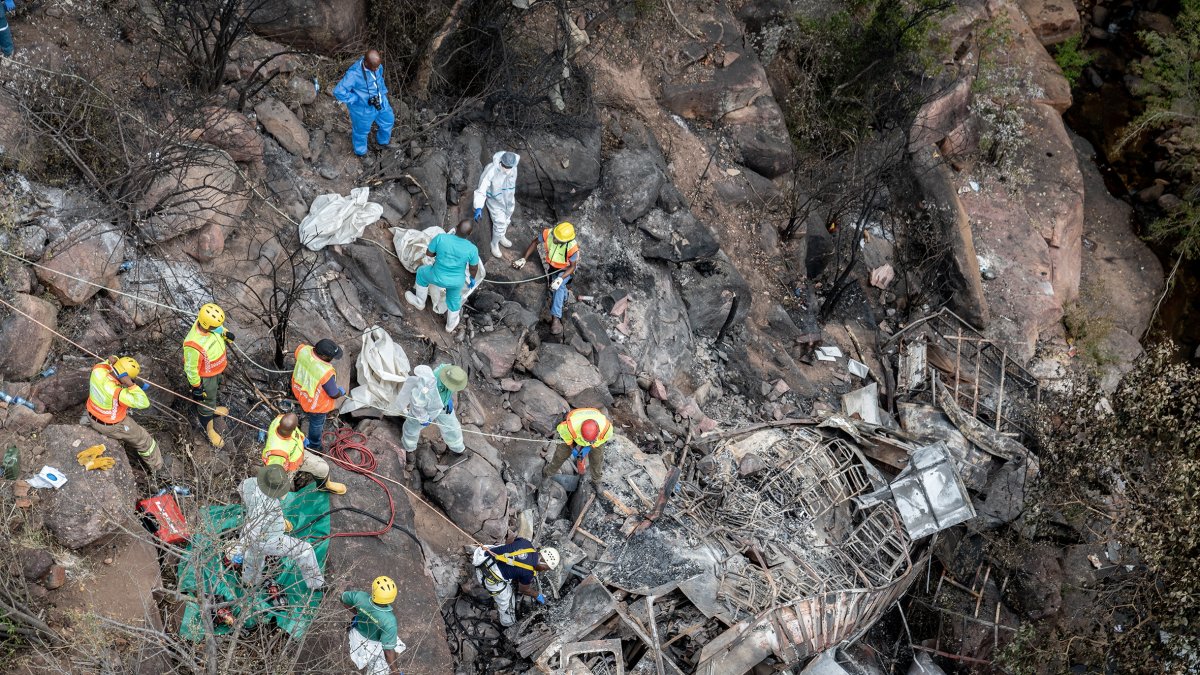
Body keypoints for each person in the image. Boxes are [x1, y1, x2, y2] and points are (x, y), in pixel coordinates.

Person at [238, 464, 325, 591]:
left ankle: (249, 582)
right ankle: (317, 585)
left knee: (253, 558)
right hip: (268, 539)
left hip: (253, 533)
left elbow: (241, 491)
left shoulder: (249, 483)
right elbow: (253, 531)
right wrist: (240, 546)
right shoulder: (268, 506)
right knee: (305, 550)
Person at [83, 356, 164, 472]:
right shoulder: (117, 392)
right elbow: (144, 402)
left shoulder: (98, 370)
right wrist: (131, 385)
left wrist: (115, 361)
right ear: (124, 378)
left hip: (91, 415)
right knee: (144, 440)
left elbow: (110, 360)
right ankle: (157, 468)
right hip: (111, 426)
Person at [404, 219, 480, 333]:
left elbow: (429, 253)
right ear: (469, 234)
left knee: (421, 273)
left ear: (456, 227)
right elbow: (474, 268)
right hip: (456, 282)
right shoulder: (472, 249)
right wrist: (472, 279)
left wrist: (438, 253)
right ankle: (450, 325)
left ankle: (420, 302)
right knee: (454, 301)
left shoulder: (441, 238)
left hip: (436, 275)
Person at [471, 537, 559, 627]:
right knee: (507, 600)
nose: (543, 571)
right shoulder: (528, 573)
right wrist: (537, 595)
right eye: (544, 569)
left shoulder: (526, 543)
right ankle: (507, 623)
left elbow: (510, 541)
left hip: (483, 555)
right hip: (486, 574)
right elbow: (524, 590)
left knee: (507, 548)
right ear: (543, 566)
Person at [512, 221, 579, 335]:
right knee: (553, 289)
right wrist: (524, 259)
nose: (555, 240)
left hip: (564, 270)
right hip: (552, 267)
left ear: (566, 241)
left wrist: (561, 278)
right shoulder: (548, 233)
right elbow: (534, 242)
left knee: (558, 287)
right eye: (555, 237)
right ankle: (565, 297)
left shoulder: (572, 248)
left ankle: (556, 318)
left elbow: (572, 267)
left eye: (558, 240)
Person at [183, 303, 233, 448]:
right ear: (207, 325)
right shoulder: (193, 345)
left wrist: (225, 333)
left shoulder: (207, 324)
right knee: (206, 401)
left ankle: (212, 407)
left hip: (215, 371)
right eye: (216, 326)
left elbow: (218, 329)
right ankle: (209, 429)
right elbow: (191, 368)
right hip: (206, 377)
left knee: (212, 395)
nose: (218, 327)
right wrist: (196, 387)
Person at [261, 412, 347, 494]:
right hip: (286, 468)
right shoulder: (277, 453)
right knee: (279, 493)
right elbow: (274, 473)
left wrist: (302, 439)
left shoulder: (280, 419)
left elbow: (296, 431)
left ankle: (324, 486)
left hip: (299, 456)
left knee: (322, 468)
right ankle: (275, 506)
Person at [332, 49, 394, 157]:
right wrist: (356, 99)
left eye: (377, 66)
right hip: (362, 109)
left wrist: (383, 92)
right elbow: (338, 92)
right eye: (374, 67)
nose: (376, 69)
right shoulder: (354, 74)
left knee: (388, 120)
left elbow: (379, 79)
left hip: (380, 101)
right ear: (366, 63)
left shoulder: (377, 66)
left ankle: (383, 142)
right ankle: (361, 152)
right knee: (361, 131)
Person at [341, 576, 406, 675]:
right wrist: (395, 671)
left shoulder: (360, 597)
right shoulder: (389, 621)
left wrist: (357, 612)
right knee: (379, 668)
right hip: (374, 643)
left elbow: (343, 599)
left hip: (358, 635)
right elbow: (388, 650)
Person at [398, 364, 467, 455]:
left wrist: (448, 399)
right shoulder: (427, 384)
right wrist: (423, 418)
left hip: (443, 406)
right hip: (425, 409)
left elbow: (450, 387)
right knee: (411, 429)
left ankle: (458, 449)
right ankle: (409, 450)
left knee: (452, 427)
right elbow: (417, 403)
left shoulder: (450, 371)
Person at [291, 339, 345, 452]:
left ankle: (302, 412)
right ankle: (314, 445)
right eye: (332, 357)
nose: (333, 359)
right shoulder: (326, 373)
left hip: (299, 390)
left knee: (303, 406)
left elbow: (297, 356)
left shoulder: (303, 349)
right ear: (324, 356)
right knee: (316, 424)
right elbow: (333, 394)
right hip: (316, 405)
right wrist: (341, 392)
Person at [542, 407, 613, 483]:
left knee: (597, 458)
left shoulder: (606, 428)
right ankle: (547, 474)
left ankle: (596, 480)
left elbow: (601, 440)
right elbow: (568, 440)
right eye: (586, 440)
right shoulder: (569, 428)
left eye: (591, 441)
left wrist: (586, 449)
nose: (589, 443)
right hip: (574, 432)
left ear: (599, 431)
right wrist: (574, 451)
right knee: (560, 455)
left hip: (595, 435)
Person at [474, 151, 521, 259]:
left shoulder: (514, 167)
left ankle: (501, 236)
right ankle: (494, 244)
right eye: (505, 166)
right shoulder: (491, 170)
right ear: (501, 162)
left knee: (507, 219)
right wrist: (478, 207)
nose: (507, 168)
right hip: (495, 201)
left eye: (509, 167)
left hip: (509, 199)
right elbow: (482, 189)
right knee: (499, 222)